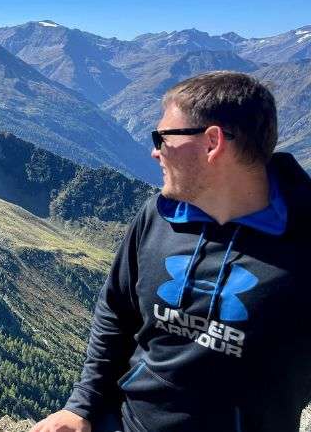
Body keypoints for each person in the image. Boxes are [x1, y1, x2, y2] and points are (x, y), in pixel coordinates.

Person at [30, 71, 311, 432]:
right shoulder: (159, 214)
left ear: (212, 143)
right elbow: (116, 310)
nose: (154, 151)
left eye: (162, 138)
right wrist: (81, 406)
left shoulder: (303, 239)